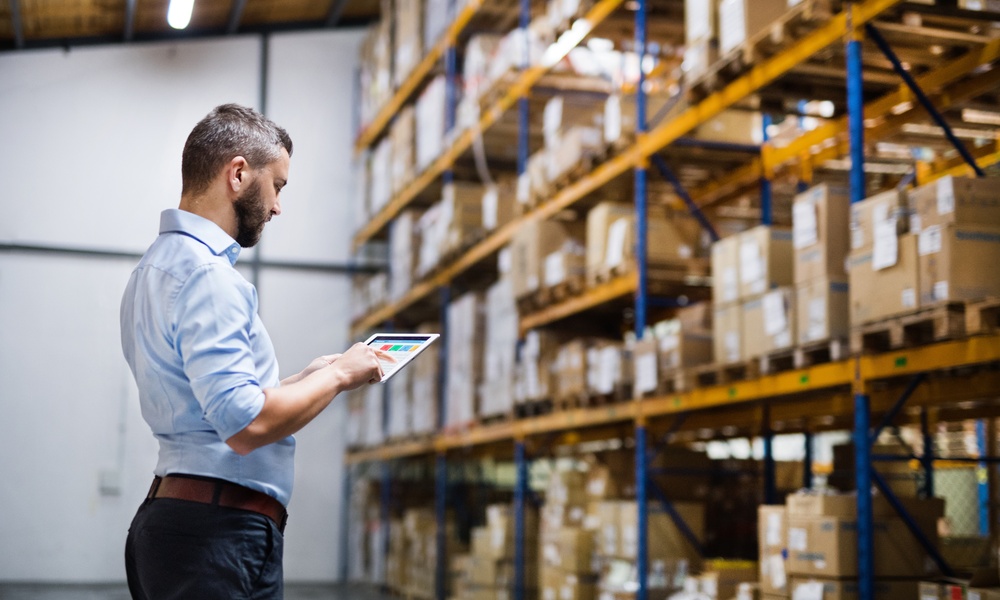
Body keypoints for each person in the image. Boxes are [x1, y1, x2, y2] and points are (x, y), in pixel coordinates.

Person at [120, 103, 389, 599]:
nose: (278, 206)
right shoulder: (209, 277)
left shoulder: (153, 270)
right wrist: (340, 377)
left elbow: (208, 405)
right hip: (215, 536)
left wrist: (303, 379)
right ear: (239, 174)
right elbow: (245, 426)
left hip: (184, 525)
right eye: (278, 186)